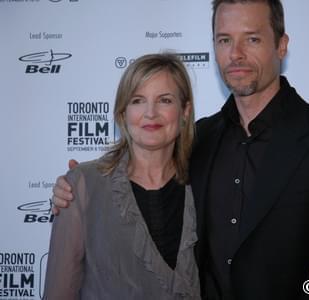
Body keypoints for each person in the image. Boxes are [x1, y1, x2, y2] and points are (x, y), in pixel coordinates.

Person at [52, 0, 309, 299]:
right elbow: (143, 172)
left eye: (251, 39)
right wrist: (77, 187)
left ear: (281, 45)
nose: (235, 54)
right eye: (224, 40)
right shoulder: (198, 139)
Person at [44, 53, 201, 299]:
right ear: (122, 113)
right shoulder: (83, 186)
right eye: (138, 100)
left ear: (185, 111)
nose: (150, 113)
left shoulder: (205, 181)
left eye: (165, 100)